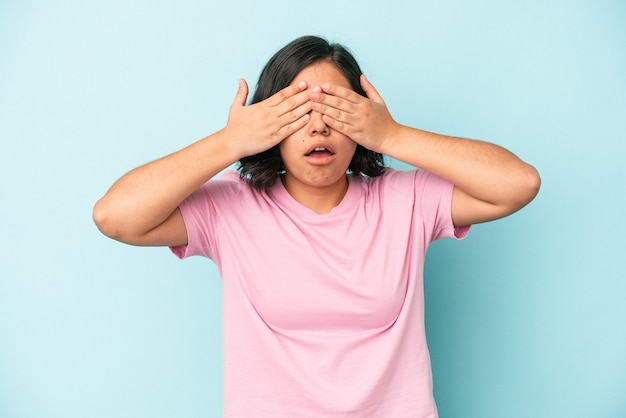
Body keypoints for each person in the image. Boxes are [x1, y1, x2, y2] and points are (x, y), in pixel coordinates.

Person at [93, 35, 540, 417]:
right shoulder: (230, 208)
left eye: (336, 108)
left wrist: (391, 135)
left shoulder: (406, 200)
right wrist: (230, 142)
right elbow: (115, 217)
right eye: (297, 111)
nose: (320, 125)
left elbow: (518, 183)